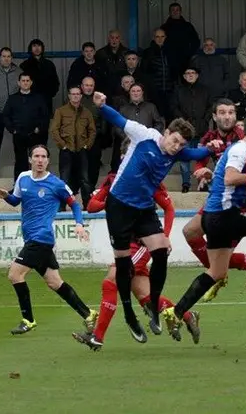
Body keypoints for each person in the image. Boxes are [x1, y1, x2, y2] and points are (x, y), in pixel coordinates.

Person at [93, 91, 217, 340]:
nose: (177, 147)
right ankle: (129, 315)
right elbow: (118, 119)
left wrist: (211, 148)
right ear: (167, 132)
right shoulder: (144, 134)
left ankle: (155, 312)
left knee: (160, 250)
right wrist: (102, 105)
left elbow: (195, 154)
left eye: (182, 145)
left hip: (143, 208)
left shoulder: (177, 152)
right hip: (119, 206)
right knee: (122, 265)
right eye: (176, 141)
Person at [72, 139, 200, 350]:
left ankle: (97, 337)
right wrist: (114, 202)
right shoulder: (114, 179)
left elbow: (169, 208)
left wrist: (165, 236)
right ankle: (187, 315)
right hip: (125, 242)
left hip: (141, 243)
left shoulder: (149, 179)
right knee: (145, 297)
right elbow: (92, 206)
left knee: (110, 281)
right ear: (123, 158)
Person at [162, 112, 246, 341]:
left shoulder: (244, 150)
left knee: (217, 271)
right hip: (226, 215)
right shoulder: (241, 150)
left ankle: (177, 311)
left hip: (215, 216)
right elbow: (230, 178)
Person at [0, 145, 97, 335]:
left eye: (43, 157)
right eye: (36, 156)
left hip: (41, 239)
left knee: (15, 275)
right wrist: (6, 196)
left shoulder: (56, 184)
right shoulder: (23, 178)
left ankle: (28, 319)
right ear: (30, 159)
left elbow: (74, 204)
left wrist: (79, 224)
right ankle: (88, 313)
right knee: (54, 282)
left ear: (48, 160)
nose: (40, 160)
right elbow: (16, 200)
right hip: (31, 238)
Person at [184, 99, 246, 302]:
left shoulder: (244, 138)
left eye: (231, 113)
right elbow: (198, 164)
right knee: (190, 232)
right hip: (219, 198)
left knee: (223, 254)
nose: (227, 117)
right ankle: (218, 274)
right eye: (223, 113)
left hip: (241, 201)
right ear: (215, 117)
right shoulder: (209, 139)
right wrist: (203, 172)